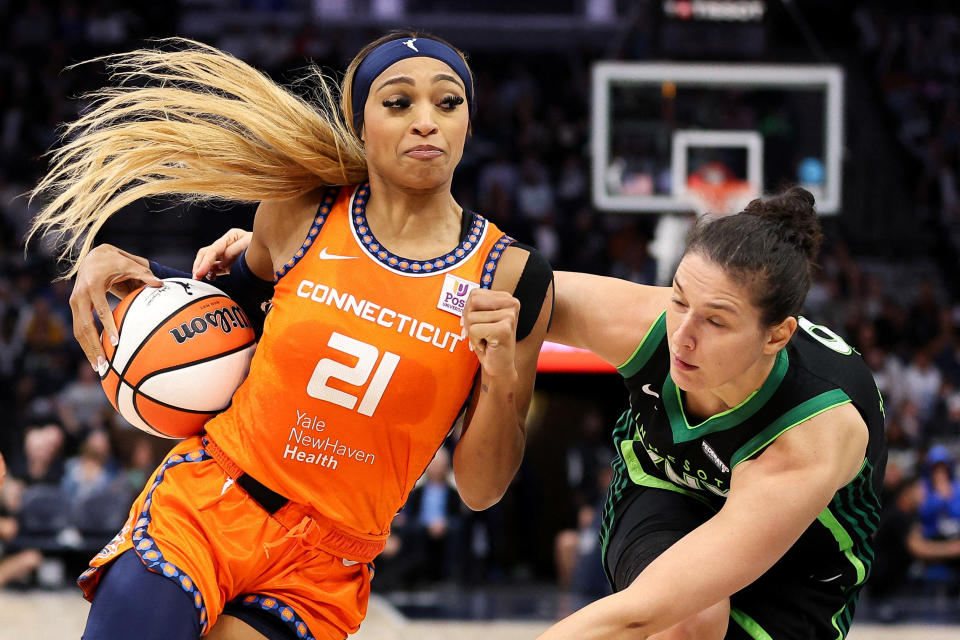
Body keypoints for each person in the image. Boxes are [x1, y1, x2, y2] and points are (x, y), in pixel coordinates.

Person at [29, 33, 552, 640]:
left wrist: (499, 377)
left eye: (449, 103)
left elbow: (483, 490)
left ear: (468, 124)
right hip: (211, 501)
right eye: (399, 103)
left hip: (322, 568)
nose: (427, 122)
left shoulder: (512, 275)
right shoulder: (299, 211)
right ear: (360, 124)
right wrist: (122, 273)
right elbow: (219, 323)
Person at [539, 187, 887, 639]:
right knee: (689, 619)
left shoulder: (811, 433)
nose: (682, 335)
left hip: (802, 560)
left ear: (777, 336)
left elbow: (636, 615)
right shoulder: (646, 322)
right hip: (666, 487)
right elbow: (507, 282)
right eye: (680, 299)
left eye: (716, 321)